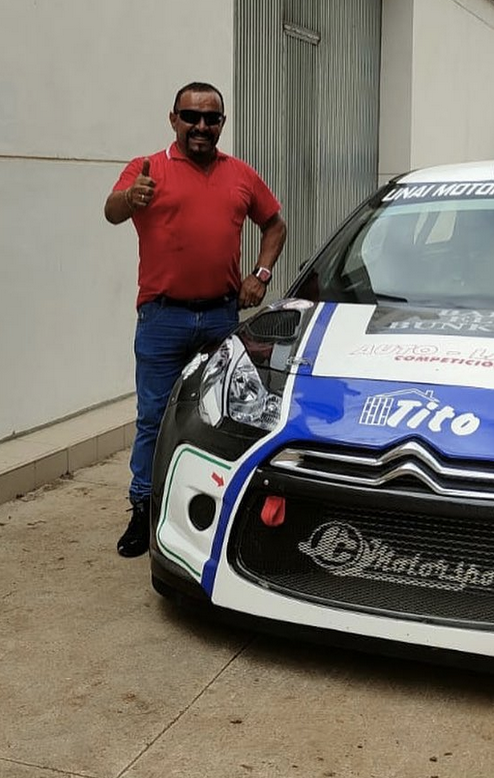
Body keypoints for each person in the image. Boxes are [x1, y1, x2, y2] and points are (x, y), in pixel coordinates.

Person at [104, 82, 286, 558]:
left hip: (222, 317)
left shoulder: (240, 174)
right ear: (174, 119)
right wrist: (131, 198)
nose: (201, 126)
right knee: (153, 418)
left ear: (222, 123)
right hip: (163, 319)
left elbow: (275, 224)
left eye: (211, 118)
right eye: (191, 117)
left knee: (225, 414)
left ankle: (221, 509)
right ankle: (143, 508)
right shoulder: (147, 168)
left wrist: (261, 275)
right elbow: (111, 210)